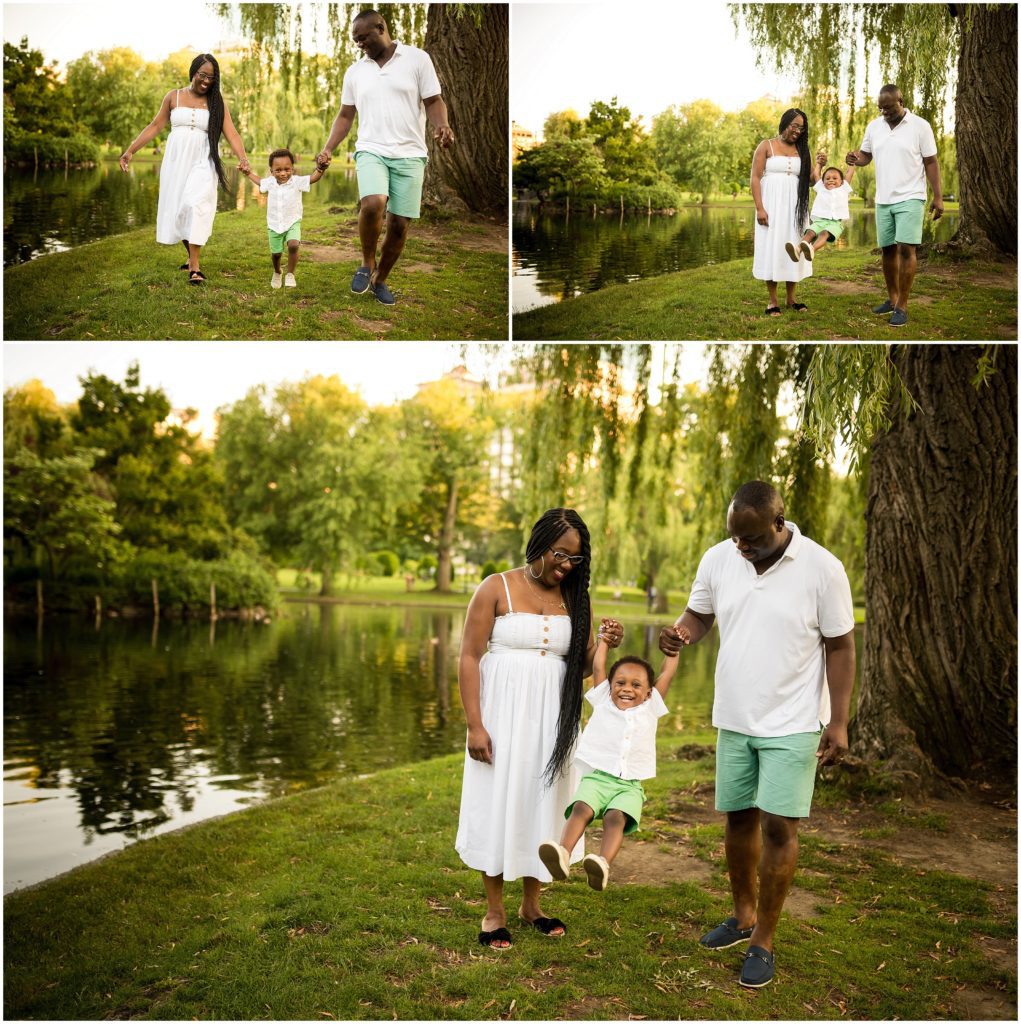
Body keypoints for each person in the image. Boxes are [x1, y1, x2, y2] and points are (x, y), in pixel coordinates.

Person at [659, 481, 855, 988]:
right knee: (739, 819)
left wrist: (838, 721)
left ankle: (763, 939)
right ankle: (742, 914)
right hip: (735, 716)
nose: (742, 549)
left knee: (778, 829)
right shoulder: (719, 558)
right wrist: (680, 632)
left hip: (792, 721)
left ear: (778, 522)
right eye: (736, 538)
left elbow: (840, 647)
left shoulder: (822, 569)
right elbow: (700, 615)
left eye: (752, 539)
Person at [455, 509, 623, 949]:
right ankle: (495, 912)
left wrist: (604, 643)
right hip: (502, 717)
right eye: (560, 554)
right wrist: (475, 725)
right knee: (499, 801)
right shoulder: (496, 587)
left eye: (576, 559)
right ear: (539, 543)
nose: (566, 565)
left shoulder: (575, 599)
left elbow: (585, 666)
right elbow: (469, 657)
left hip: (554, 719)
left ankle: (533, 905)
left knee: (542, 801)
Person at [316, 9, 455, 307]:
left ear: (381, 27)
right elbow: (345, 114)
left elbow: (433, 100)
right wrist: (328, 147)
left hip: (411, 153)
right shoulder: (355, 71)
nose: (359, 44)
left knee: (400, 225)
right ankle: (366, 264)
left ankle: (380, 279)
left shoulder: (418, 59)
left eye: (363, 37)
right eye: (355, 40)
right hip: (371, 149)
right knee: (373, 204)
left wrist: (442, 125)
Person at [537, 621, 683, 893]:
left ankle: (601, 864)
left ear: (649, 692)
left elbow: (667, 674)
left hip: (629, 785)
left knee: (616, 818)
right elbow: (598, 667)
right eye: (620, 683)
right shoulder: (604, 700)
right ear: (610, 686)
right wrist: (603, 641)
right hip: (598, 777)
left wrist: (673, 650)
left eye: (636, 685)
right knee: (581, 809)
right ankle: (563, 853)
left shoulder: (651, 707)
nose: (627, 689)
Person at [119, 54, 251, 285]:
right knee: (180, 207)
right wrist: (131, 151)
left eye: (211, 77)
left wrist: (243, 157)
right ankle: (191, 258)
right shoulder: (174, 96)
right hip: (176, 161)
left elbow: (231, 133)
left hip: (204, 158)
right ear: (193, 72)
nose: (206, 81)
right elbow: (155, 126)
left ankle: (195, 268)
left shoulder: (216, 101)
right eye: (202, 75)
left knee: (195, 204)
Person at [846, 84, 943, 329]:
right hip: (883, 198)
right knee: (887, 250)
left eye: (888, 107)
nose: (884, 112)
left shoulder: (920, 126)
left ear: (901, 100)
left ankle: (902, 305)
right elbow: (866, 155)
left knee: (906, 250)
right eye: (880, 108)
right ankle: (891, 299)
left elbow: (931, 162)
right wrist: (856, 158)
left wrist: (938, 197)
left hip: (911, 196)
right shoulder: (874, 126)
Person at [751, 109, 813, 316]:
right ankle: (772, 301)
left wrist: (819, 164)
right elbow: (755, 178)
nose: (797, 130)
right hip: (771, 206)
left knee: (793, 247)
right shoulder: (766, 145)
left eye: (801, 127)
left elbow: (813, 180)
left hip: (795, 207)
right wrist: (760, 208)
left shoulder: (803, 150)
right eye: (794, 125)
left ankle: (791, 299)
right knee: (772, 247)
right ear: (784, 123)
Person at [240, 149, 326, 289]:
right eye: (278, 170)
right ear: (271, 171)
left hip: (293, 221)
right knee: (276, 254)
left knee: (293, 245)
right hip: (274, 224)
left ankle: (290, 274)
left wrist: (320, 168)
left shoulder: (297, 182)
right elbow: (260, 182)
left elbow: (313, 178)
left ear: (292, 168)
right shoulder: (270, 182)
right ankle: (277, 271)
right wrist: (248, 173)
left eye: (287, 169)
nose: (283, 173)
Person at [785, 159, 858, 263]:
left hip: (835, 223)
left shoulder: (844, 188)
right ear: (823, 182)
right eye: (827, 178)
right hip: (819, 221)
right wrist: (819, 164)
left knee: (824, 233)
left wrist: (852, 164)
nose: (831, 180)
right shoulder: (821, 188)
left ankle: (812, 249)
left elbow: (849, 173)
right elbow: (816, 174)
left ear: (842, 181)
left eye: (835, 178)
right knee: (810, 233)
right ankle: (797, 250)